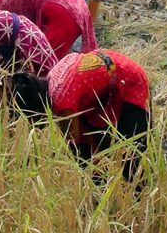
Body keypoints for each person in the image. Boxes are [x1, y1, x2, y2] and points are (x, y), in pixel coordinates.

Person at [11, 50, 150, 179]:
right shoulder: (52, 76)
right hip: (113, 64)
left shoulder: (63, 104)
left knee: (132, 153)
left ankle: (140, 192)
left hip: (129, 80)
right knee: (102, 142)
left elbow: (77, 149)